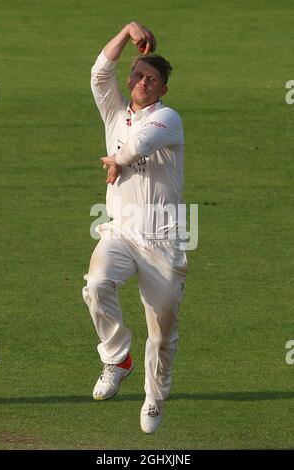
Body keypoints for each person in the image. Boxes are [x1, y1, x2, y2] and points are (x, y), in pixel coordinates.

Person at [82, 22, 188, 434]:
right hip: (121, 232)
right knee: (96, 283)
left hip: (163, 241)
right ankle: (116, 357)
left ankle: (155, 398)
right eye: (138, 76)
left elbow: (141, 144)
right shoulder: (114, 111)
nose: (143, 82)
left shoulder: (168, 119)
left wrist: (117, 160)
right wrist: (127, 32)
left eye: (152, 79)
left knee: (162, 334)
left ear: (162, 90)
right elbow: (98, 73)